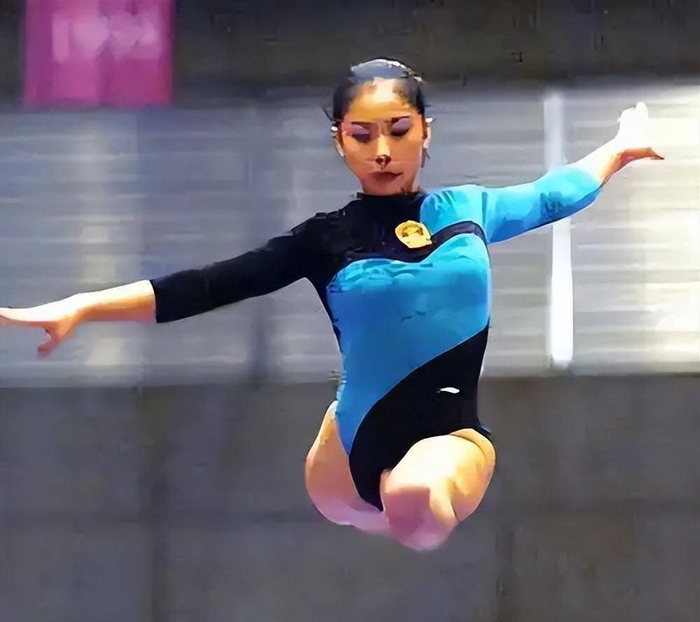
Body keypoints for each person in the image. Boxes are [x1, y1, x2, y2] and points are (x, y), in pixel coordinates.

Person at [0, 59, 663, 551]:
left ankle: (402, 508)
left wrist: (619, 149)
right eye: (361, 135)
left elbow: (555, 193)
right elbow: (209, 284)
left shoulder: (469, 209)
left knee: (411, 494)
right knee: (373, 498)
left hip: (449, 437)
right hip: (346, 456)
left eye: (398, 130)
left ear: (425, 131)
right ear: (339, 141)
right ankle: (374, 488)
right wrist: (84, 305)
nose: (383, 151)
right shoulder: (323, 240)